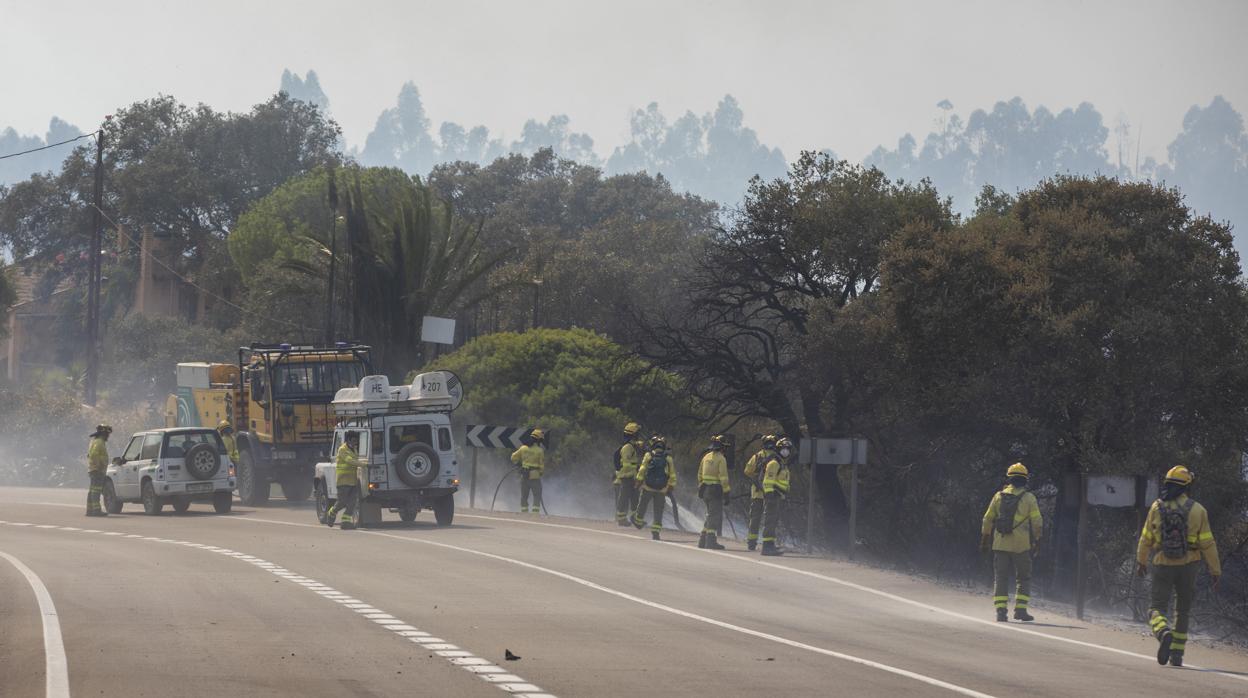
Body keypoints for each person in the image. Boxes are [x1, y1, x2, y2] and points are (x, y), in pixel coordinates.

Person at [1135, 465, 1221, 667]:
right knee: (1182, 612)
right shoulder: (1198, 510)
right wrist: (1215, 571)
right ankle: (1177, 656)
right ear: (1186, 486)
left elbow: (1145, 538)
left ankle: (1163, 632)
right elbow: (1208, 544)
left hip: (1162, 563)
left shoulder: (1157, 507)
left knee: (1156, 608)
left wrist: (1141, 561)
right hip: (1189, 565)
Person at [980, 463, 1042, 622]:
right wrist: (1037, 541)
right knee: (1023, 578)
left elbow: (987, 519)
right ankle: (1020, 610)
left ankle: (1001, 611)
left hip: (1000, 544)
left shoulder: (998, 496)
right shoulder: (1029, 498)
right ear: (1025, 480)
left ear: (1009, 479)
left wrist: (985, 540)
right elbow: (1037, 522)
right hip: (1021, 546)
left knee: (1000, 577)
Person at [633, 436, 676, 540]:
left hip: (647, 487)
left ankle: (638, 522)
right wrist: (670, 487)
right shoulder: (668, 458)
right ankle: (656, 532)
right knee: (658, 511)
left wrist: (638, 482)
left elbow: (642, 470)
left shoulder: (648, 455)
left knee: (642, 506)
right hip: (661, 490)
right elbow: (673, 475)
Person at [742, 435, 777, 551]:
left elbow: (747, 471)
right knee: (770, 519)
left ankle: (751, 543)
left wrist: (756, 479)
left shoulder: (757, 456)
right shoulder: (777, 458)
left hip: (757, 493)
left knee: (755, 518)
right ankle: (768, 543)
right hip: (770, 493)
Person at [326, 431, 366, 530]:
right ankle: (331, 513)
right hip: (343, 480)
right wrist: (364, 464)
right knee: (342, 502)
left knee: (352, 502)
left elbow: (356, 460)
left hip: (353, 480)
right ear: (348, 440)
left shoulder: (355, 449)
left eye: (356, 440)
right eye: (353, 440)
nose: (355, 441)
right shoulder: (342, 449)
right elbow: (349, 460)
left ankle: (345, 523)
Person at [759, 437, 793, 556]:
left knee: (773, 521)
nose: (786, 451)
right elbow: (767, 481)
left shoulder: (782, 463)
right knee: (770, 520)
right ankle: (767, 547)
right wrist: (770, 494)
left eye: (788, 449)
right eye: (784, 448)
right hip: (772, 497)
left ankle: (770, 545)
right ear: (779, 449)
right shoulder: (774, 463)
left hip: (778, 496)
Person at [698, 435, 731, 550]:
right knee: (714, 516)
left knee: (710, 514)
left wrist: (701, 486)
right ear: (723, 447)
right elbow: (723, 478)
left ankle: (702, 540)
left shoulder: (706, 457)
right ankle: (710, 541)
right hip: (716, 490)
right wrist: (726, 493)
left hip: (705, 490)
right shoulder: (721, 459)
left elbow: (699, 474)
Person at [614, 422, 646, 527]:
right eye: (637, 433)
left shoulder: (631, 445)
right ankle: (621, 519)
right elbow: (627, 463)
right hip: (627, 477)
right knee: (624, 497)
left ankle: (634, 518)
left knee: (635, 498)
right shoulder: (627, 447)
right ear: (633, 434)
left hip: (632, 477)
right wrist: (635, 470)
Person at [511, 428, 546, 514]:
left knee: (524, 496)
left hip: (524, 475)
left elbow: (513, 457)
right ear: (538, 440)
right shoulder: (540, 451)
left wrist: (519, 465)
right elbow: (541, 466)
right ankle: (535, 514)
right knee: (537, 495)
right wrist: (541, 473)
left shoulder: (523, 448)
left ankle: (524, 513)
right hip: (535, 476)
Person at [85, 424, 112, 517]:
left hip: (94, 469)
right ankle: (96, 511)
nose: (108, 436)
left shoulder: (96, 441)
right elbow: (93, 455)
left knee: (92, 490)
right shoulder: (99, 442)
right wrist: (98, 467)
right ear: (103, 433)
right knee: (96, 490)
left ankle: (90, 510)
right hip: (97, 470)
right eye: (107, 434)